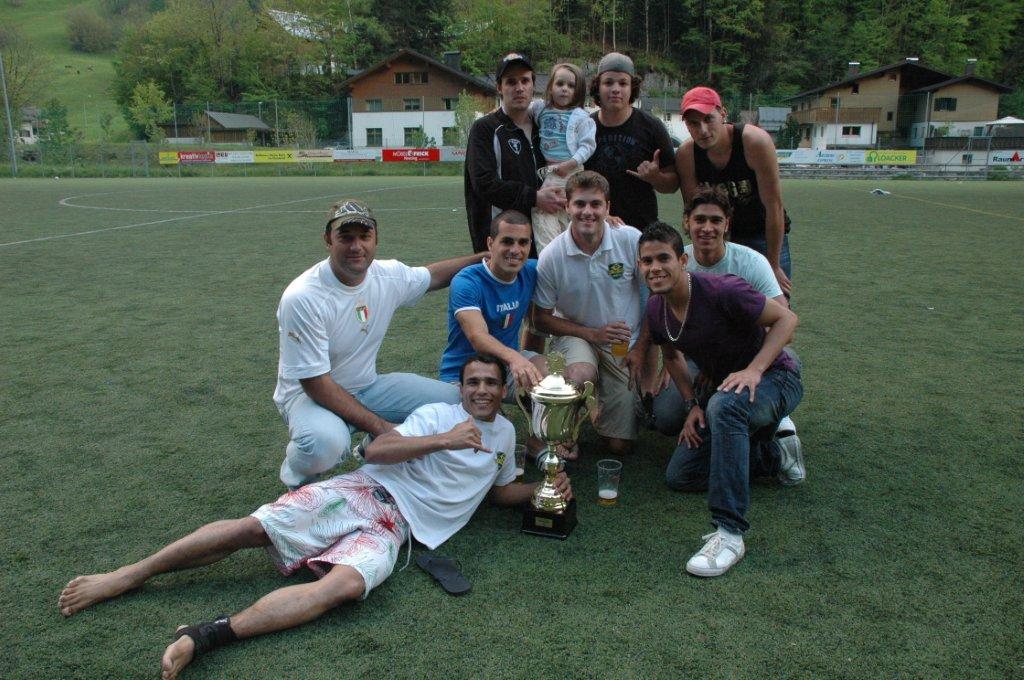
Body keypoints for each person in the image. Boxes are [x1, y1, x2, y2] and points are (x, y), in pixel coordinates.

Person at [58, 354, 573, 680]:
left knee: (343, 588)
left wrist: (542, 488)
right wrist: (444, 439)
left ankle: (206, 634)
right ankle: (129, 574)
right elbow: (377, 452)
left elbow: (497, 493)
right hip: (365, 490)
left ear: (503, 390)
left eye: (490, 383)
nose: (481, 390)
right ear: (460, 387)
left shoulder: (506, 435)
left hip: (397, 529)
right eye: (472, 382)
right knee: (254, 528)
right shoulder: (437, 416)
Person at [275, 199, 482, 489]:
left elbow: (433, 276)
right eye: (345, 237)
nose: (356, 246)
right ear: (328, 240)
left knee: (455, 402)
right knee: (323, 445)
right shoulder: (303, 297)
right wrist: (384, 428)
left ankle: (369, 448)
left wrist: (486, 257)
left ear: (376, 239)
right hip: (309, 397)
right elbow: (316, 384)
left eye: (364, 236)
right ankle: (296, 477)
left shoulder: (387, 275)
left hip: (366, 386)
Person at [637, 221, 804, 578]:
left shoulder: (722, 289)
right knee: (681, 475)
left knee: (724, 406)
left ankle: (729, 533)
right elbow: (672, 356)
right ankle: (775, 455)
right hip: (725, 386)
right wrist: (691, 404)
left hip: (776, 377)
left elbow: (787, 320)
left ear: (683, 261)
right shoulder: (656, 308)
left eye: (663, 258)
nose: (655, 268)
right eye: (647, 261)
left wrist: (754, 370)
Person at [645, 188, 796, 437]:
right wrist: (685, 367)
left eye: (716, 220)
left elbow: (785, 326)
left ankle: (774, 416)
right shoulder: (672, 259)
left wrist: (752, 368)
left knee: (736, 407)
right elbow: (665, 318)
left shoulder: (751, 262)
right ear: (687, 222)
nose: (707, 228)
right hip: (700, 358)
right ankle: (708, 410)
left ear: (727, 224)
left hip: (752, 353)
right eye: (699, 220)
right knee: (667, 417)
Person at [533, 171, 654, 458]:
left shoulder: (630, 239)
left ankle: (596, 405)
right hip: (577, 337)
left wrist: (640, 349)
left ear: (608, 207)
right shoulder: (552, 256)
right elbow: (540, 318)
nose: (587, 211)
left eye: (596, 204)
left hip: (621, 344)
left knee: (619, 446)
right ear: (567, 207)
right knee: (580, 373)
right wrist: (592, 334)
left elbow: (656, 297)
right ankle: (564, 422)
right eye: (580, 204)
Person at [675, 85, 794, 295]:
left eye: (708, 119)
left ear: (723, 114)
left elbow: (773, 207)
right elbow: (694, 212)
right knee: (722, 302)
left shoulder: (754, 142)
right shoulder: (687, 155)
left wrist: (773, 265)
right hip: (721, 237)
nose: (703, 130)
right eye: (693, 123)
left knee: (774, 301)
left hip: (762, 232)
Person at [464, 52, 565, 254]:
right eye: (511, 82)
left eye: (525, 81)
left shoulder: (544, 128)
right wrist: (534, 197)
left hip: (546, 239)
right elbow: (484, 183)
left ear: (533, 85)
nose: (519, 88)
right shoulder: (485, 128)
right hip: (503, 246)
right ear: (499, 88)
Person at [439, 209, 547, 391]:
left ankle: (535, 406)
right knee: (479, 407)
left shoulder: (532, 270)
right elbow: (478, 337)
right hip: (463, 373)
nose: (515, 250)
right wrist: (515, 358)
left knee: (551, 377)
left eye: (523, 242)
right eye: (507, 241)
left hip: (507, 367)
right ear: (490, 243)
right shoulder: (467, 282)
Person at [584, 52, 678, 231]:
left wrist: (656, 178)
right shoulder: (585, 128)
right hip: (593, 228)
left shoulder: (651, 127)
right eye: (608, 83)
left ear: (632, 88)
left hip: (641, 230)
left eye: (623, 83)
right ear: (598, 87)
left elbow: (673, 184)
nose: (615, 89)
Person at [528, 62, 597, 251]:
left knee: (559, 210)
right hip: (551, 171)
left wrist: (570, 163)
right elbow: (521, 111)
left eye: (571, 86)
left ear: (578, 91)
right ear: (550, 87)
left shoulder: (581, 117)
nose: (565, 89)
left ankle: (562, 251)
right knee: (550, 210)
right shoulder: (540, 108)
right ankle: (554, 252)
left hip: (571, 170)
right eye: (560, 84)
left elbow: (588, 146)